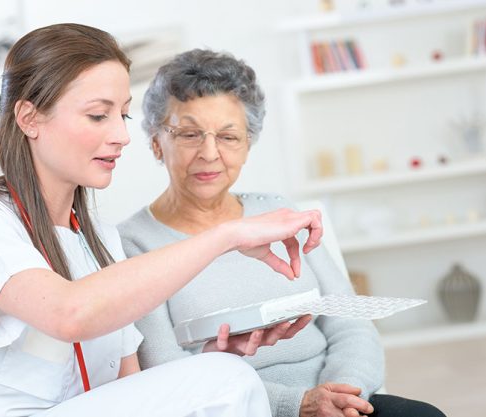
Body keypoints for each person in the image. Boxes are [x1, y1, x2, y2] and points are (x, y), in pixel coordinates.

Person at [0, 24, 328, 417]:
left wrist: (205, 367)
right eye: (98, 115)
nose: (122, 135)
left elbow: (127, 385)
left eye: (123, 116)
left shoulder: (99, 242)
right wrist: (228, 235)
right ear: (28, 118)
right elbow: (68, 314)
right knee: (228, 381)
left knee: (227, 378)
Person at [118, 49, 446, 417]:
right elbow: (165, 364)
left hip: (336, 399)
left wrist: (339, 396)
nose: (209, 153)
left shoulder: (277, 212)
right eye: (190, 134)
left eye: (229, 137)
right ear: (156, 142)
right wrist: (297, 406)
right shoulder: (132, 243)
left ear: (247, 145)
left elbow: (350, 323)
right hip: (238, 409)